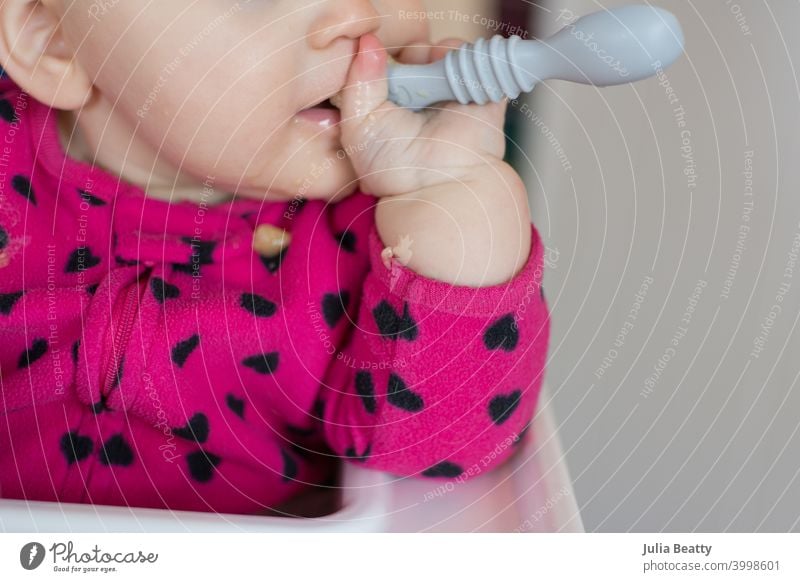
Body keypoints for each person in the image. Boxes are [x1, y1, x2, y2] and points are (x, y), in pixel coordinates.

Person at [0, 0, 550, 515]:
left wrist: (459, 203)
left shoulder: (387, 235)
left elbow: (445, 449)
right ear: (51, 40)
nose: (356, 16)